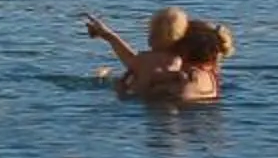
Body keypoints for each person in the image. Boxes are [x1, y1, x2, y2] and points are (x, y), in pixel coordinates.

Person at [83, 8, 233, 104]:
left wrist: (122, 90)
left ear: (183, 50)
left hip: (169, 108)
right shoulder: (209, 76)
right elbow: (136, 62)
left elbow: (138, 67)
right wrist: (109, 36)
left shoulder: (182, 76)